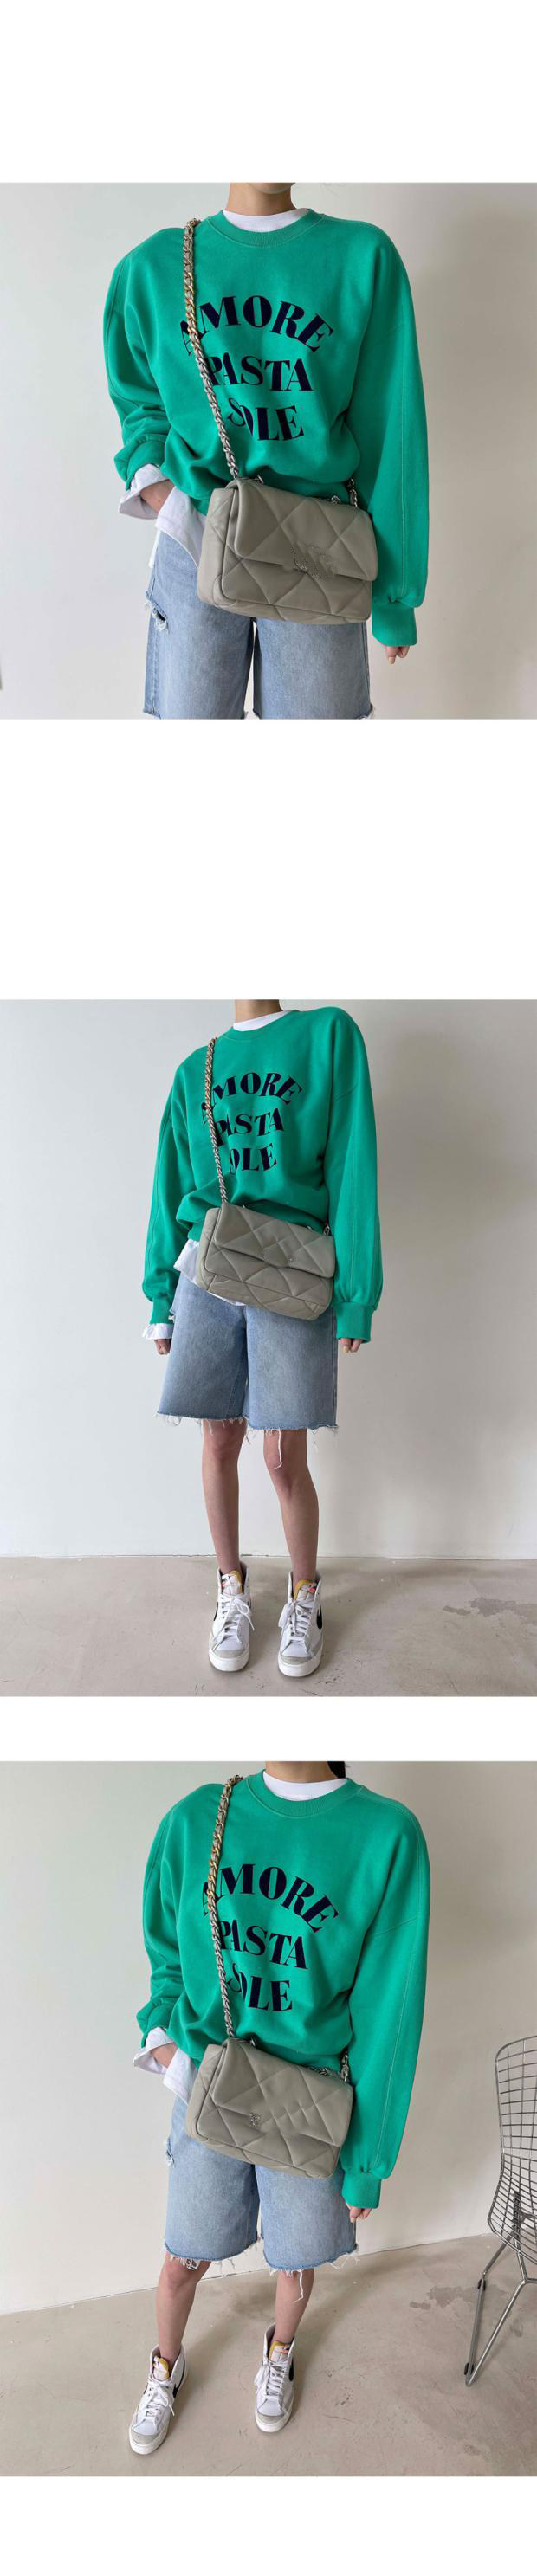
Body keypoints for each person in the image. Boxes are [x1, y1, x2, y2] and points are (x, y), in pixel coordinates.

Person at [129, 1761, 430, 2454]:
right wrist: (166, 2044)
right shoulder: (196, 1818)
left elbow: (389, 2011)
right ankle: (165, 2365)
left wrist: (368, 2161)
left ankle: (279, 2351)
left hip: (309, 2105)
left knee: (294, 2262)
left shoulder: (386, 1835)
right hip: (212, 2089)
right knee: (182, 2258)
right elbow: (167, 1948)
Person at [104, 182, 429, 720]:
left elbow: (390, 431)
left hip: (319, 547)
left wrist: (395, 595)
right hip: (196, 535)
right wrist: (163, 492)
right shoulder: (152, 266)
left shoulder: (362, 257)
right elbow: (139, 399)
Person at [143, 1001, 382, 1677]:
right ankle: (231, 1586)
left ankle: (305, 1592)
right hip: (208, 1268)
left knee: (282, 1458)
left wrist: (356, 1294)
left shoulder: (327, 1036)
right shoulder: (195, 1070)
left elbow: (353, 1163)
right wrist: (161, 1296)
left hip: (290, 1271)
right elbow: (169, 1184)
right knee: (218, 1441)